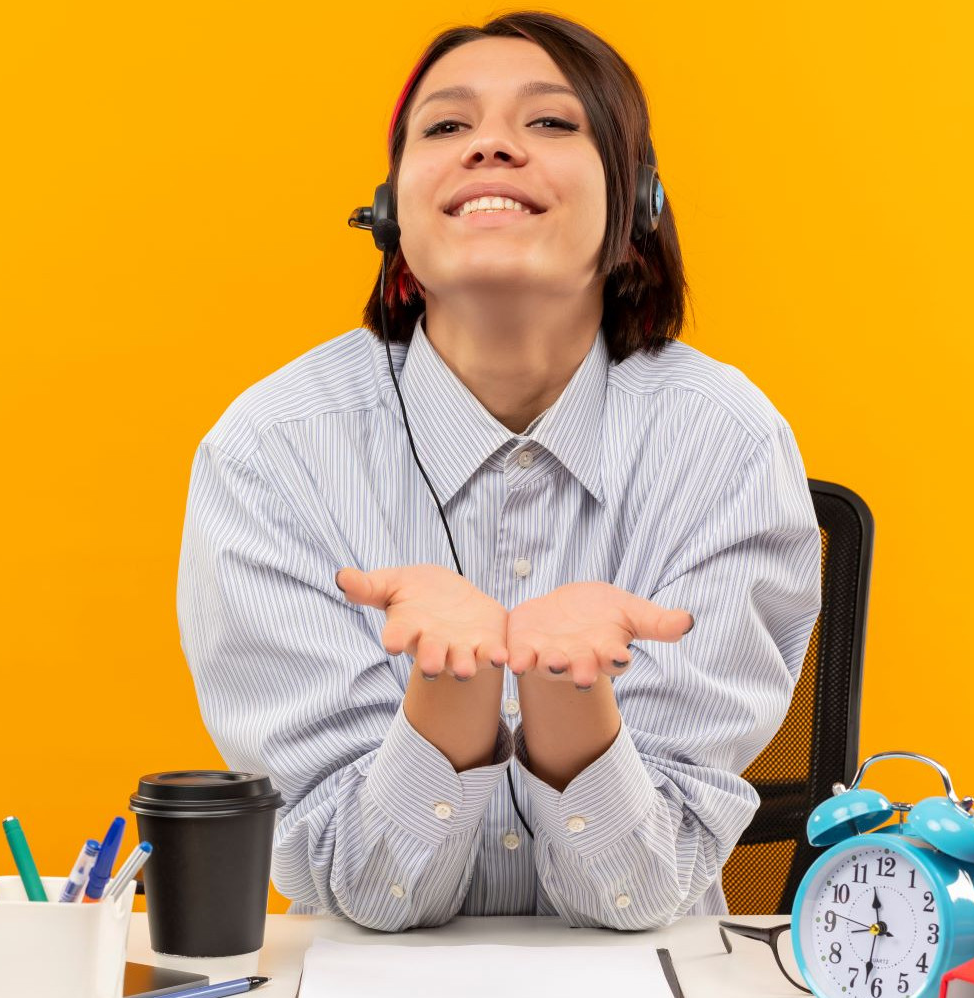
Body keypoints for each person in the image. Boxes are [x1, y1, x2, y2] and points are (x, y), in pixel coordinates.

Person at [177, 11, 821, 932]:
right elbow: (361, 886)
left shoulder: (726, 445)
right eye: (446, 127)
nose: (490, 148)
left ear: (637, 205)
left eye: (552, 123)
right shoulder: (273, 451)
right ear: (393, 212)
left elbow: (639, 892)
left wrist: (569, 689)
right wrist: (451, 685)